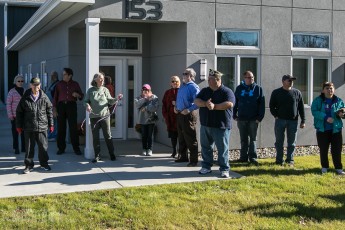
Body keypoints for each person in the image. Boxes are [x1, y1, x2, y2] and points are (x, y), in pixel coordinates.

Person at [195, 69, 235, 178]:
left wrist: (214, 106)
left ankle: (224, 169)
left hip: (221, 126)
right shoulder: (205, 91)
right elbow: (196, 101)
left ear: (218, 80)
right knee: (206, 147)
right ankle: (206, 167)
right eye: (208, 79)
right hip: (206, 125)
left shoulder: (227, 91)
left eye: (210, 79)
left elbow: (229, 104)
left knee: (222, 149)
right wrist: (205, 104)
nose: (208, 81)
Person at [16, 77, 54, 174]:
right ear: (30, 85)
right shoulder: (25, 97)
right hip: (29, 127)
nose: (36, 86)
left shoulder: (44, 97)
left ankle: (44, 164)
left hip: (42, 126)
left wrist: (51, 124)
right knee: (29, 148)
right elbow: (19, 112)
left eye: (37, 84)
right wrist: (19, 126)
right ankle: (28, 165)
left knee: (43, 147)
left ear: (40, 85)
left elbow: (49, 110)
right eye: (34, 84)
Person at [84, 73, 122, 163]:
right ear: (95, 79)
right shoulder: (90, 91)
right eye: (100, 78)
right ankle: (97, 156)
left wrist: (117, 98)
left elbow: (110, 101)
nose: (102, 80)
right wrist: (87, 106)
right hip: (94, 117)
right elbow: (85, 101)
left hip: (105, 116)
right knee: (95, 137)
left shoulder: (105, 90)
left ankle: (112, 154)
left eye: (103, 79)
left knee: (107, 135)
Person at [269, 74, 305, 166]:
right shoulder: (276, 92)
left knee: (292, 142)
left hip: (293, 121)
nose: (291, 82)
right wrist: (275, 115)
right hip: (280, 120)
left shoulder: (297, 92)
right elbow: (271, 106)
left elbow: (301, 108)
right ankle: (279, 160)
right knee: (279, 141)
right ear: (283, 81)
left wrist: (303, 120)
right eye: (289, 80)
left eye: (292, 80)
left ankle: (290, 160)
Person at [311, 82, 345, 175]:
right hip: (322, 130)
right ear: (323, 90)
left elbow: (343, 109)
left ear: (334, 90)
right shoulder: (318, 100)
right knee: (323, 149)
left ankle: (338, 168)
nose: (330, 90)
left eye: (331, 88)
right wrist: (326, 117)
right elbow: (314, 111)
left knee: (337, 150)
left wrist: (342, 113)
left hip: (336, 130)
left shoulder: (338, 100)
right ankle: (325, 167)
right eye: (327, 88)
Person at [233, 71, 265, 165]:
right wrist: (234, 115)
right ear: (244, 78)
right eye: (249, 77)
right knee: (243, 138)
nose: (251, 79)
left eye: (252, 77)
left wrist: (260, 117)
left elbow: (262, 104)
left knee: (253, 138)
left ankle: (253, 157)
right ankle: (243, 157)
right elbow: (235, 102)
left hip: (253, 119)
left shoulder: (258, 89)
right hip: (241, 118)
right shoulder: (239, 88)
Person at [53, 67, 84, 155]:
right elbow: (55, 98)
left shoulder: (75, 84)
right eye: (63, 74)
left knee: (73, 128)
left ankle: (76, 148)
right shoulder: (59, 84)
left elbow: (81, 96)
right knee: (61, 128)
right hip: (61, 106)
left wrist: (77, 94)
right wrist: (54, 109)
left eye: (65, 74)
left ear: (70, 75)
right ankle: (61, 148)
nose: (63, 76)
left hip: (71, 106)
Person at [174, 68, 200, 166]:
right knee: (181, 136)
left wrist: (188, 110)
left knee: (190, 137)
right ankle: (183, 156)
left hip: (188, 114)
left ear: (191, 76)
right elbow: (179, 99)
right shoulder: (182, 86)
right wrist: (176, 107)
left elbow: (197, 102)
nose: (183, 75)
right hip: (180, 113)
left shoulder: (193, 87)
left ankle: (193, 160)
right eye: (183, 73)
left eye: (186, 74)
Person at [135, 84, 159, 156]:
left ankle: (149, 149)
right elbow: (137, 105)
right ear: (142, 90)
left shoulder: (154, 97)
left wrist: (146, 108)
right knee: (144, 135)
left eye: (147, 90)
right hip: (142, 119)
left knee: (150, 135)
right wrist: (145, 99)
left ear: (150, 90)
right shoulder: (138, 98)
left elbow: (155, 108)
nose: (145, 91)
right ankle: (144, 149)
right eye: (144, 90)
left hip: (151, 119)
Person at [6, 74, 26, 154]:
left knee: (23, 132)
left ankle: (24, 147)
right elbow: (8, 104)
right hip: (14, 116)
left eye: (22, 81)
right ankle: (16, 147)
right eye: (19, 81)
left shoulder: (25, 91)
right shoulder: (12, 92)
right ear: (15, 82)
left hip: (24, 116)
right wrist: (10, 115)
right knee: (15, 133)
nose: (20, 82)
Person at [162, 75, 180, 158]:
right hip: (170, 118)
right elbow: (164, 105)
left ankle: (181, 152)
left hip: (180, 117)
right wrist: (165, 115)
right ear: (170, 83)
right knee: (173, 136)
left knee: (181, 135)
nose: (174, 83)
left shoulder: (181, 91)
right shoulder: (167, 92)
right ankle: (174, 151)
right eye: (173, 81)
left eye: (176, 81)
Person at [47, 71, 59, 141]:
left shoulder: (57, 84)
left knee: (55, 121)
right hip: (49, 105)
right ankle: (50, 135)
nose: (51, 77)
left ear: (55, 76)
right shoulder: (52, 84)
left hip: (54, 106)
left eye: (52, 76)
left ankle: (54, 136)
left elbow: (56, 96)